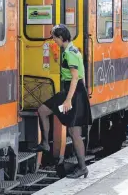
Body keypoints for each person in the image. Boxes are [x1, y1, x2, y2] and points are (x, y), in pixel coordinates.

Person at [30, 24, 92, 179]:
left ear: (60, 38)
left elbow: (75, 78)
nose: (54, 41)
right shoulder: (73, 50)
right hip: (74, 92)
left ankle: (82, 167)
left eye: (54, 38)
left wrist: (69, 100)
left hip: (73, 92)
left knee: (74, 132)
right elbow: (81, 76)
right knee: (43, 111)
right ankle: (45, 143)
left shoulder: (70, 54)